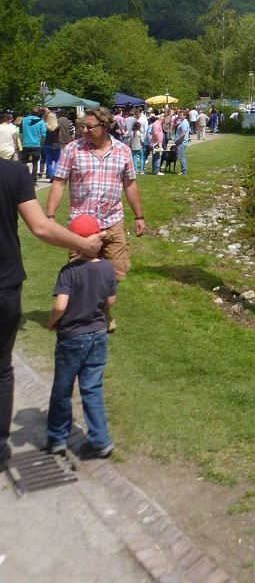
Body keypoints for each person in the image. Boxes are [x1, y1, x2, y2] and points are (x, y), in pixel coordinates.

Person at [1, 159, 102, 471]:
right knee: (1, 370)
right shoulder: (12, 172)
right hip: (3, 286)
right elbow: (41, 227)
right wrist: (85, 244)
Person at [45, 107, 146, 331]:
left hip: (113, 222)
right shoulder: (73, 149)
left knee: (116, 272)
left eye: (90, 127)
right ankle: (76, 315)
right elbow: (59, 182)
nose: (85, 130)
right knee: (78, 273)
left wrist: (139, 216)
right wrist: (50, 216)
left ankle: (103, 310)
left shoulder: (123, 151)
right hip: (81, 227)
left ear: (106, 126)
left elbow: (130, 184)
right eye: (83, 126)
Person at [45, 214, 117, 458]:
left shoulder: (68, 272)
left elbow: (61, 305)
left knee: (63, 388)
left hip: (72, 337)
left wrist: (52, 321)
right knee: (92, 387)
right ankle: (101, 440)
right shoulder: (108, 268)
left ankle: (57, 438)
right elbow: (111, 300)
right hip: (98, 333)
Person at [19, 107, 46, 180]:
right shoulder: (41, 121)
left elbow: (20, 133)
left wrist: (22, 142)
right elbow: (43, 134)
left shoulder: (23, 121)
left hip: (26, 144)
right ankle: (34, 180)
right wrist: (41, 144)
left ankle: (22, 178)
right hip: (36, 144)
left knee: (24, 163)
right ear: (38, 113)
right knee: (35, 163)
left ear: (30, 112)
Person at [174, 110, 191, 176]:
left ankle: (183, 171)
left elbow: (184, 132)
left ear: (185, 115)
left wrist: (178, 139)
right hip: (181, 141)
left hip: (181, 142)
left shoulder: (184, 123)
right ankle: (183, 170)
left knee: (181, 156)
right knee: (181, 156)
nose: (180, 116)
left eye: (181, 115)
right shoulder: (183, 122)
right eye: (179, 115)